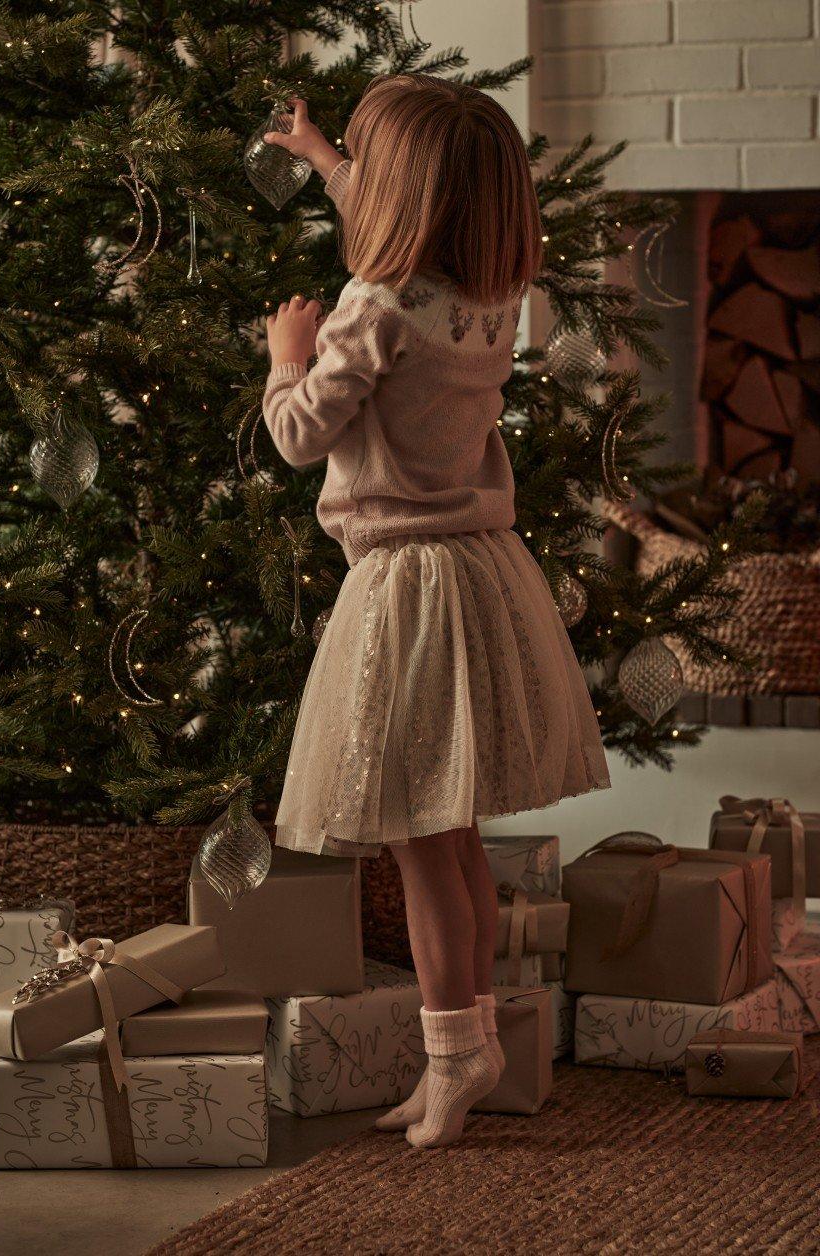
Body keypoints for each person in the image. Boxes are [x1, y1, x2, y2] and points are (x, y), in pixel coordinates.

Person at [262, 75, 610, 1149]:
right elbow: (397, 211)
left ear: (404, 199)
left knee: (421, 843)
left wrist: (286, 358)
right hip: (477, 565)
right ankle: (463, 1046)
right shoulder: (489, 299)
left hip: (403, 587)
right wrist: (324, 158)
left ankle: (456, 1051)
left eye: (368, 163)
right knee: (453, 837)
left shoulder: (369, 308)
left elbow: (300, 435)